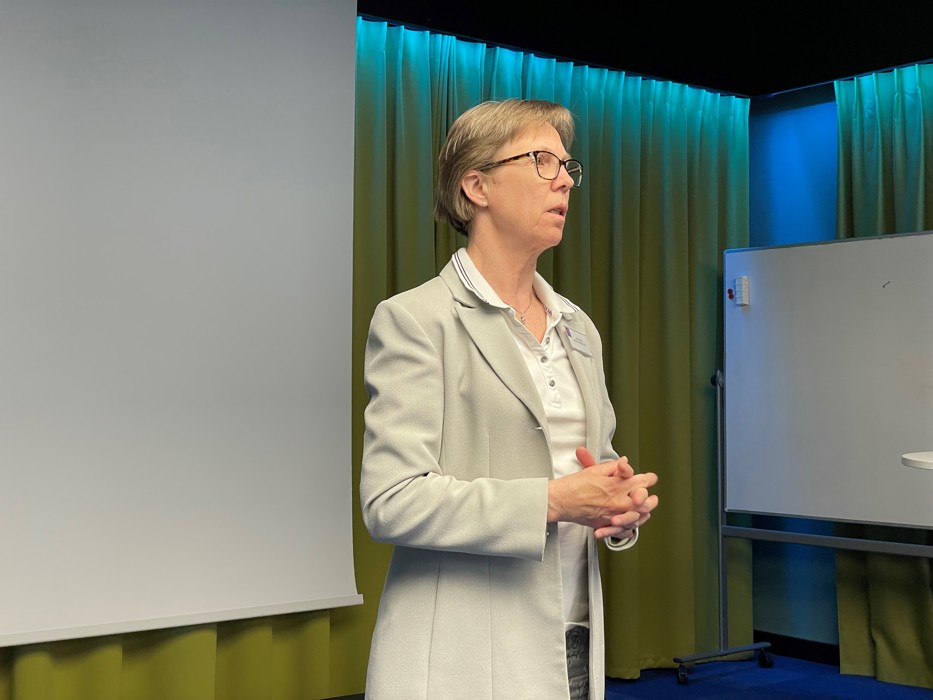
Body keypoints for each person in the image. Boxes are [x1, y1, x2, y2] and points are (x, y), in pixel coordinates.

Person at [360, 98, 659, 700]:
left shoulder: (578, 326)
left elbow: (592, 468)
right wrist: (554, 500)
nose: (564, 181)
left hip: (572, 641)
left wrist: (617, 508)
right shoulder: (416, 320)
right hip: (464, 657)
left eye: (568, 167)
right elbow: (392, 501)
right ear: (477, 187)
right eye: (542, 161)